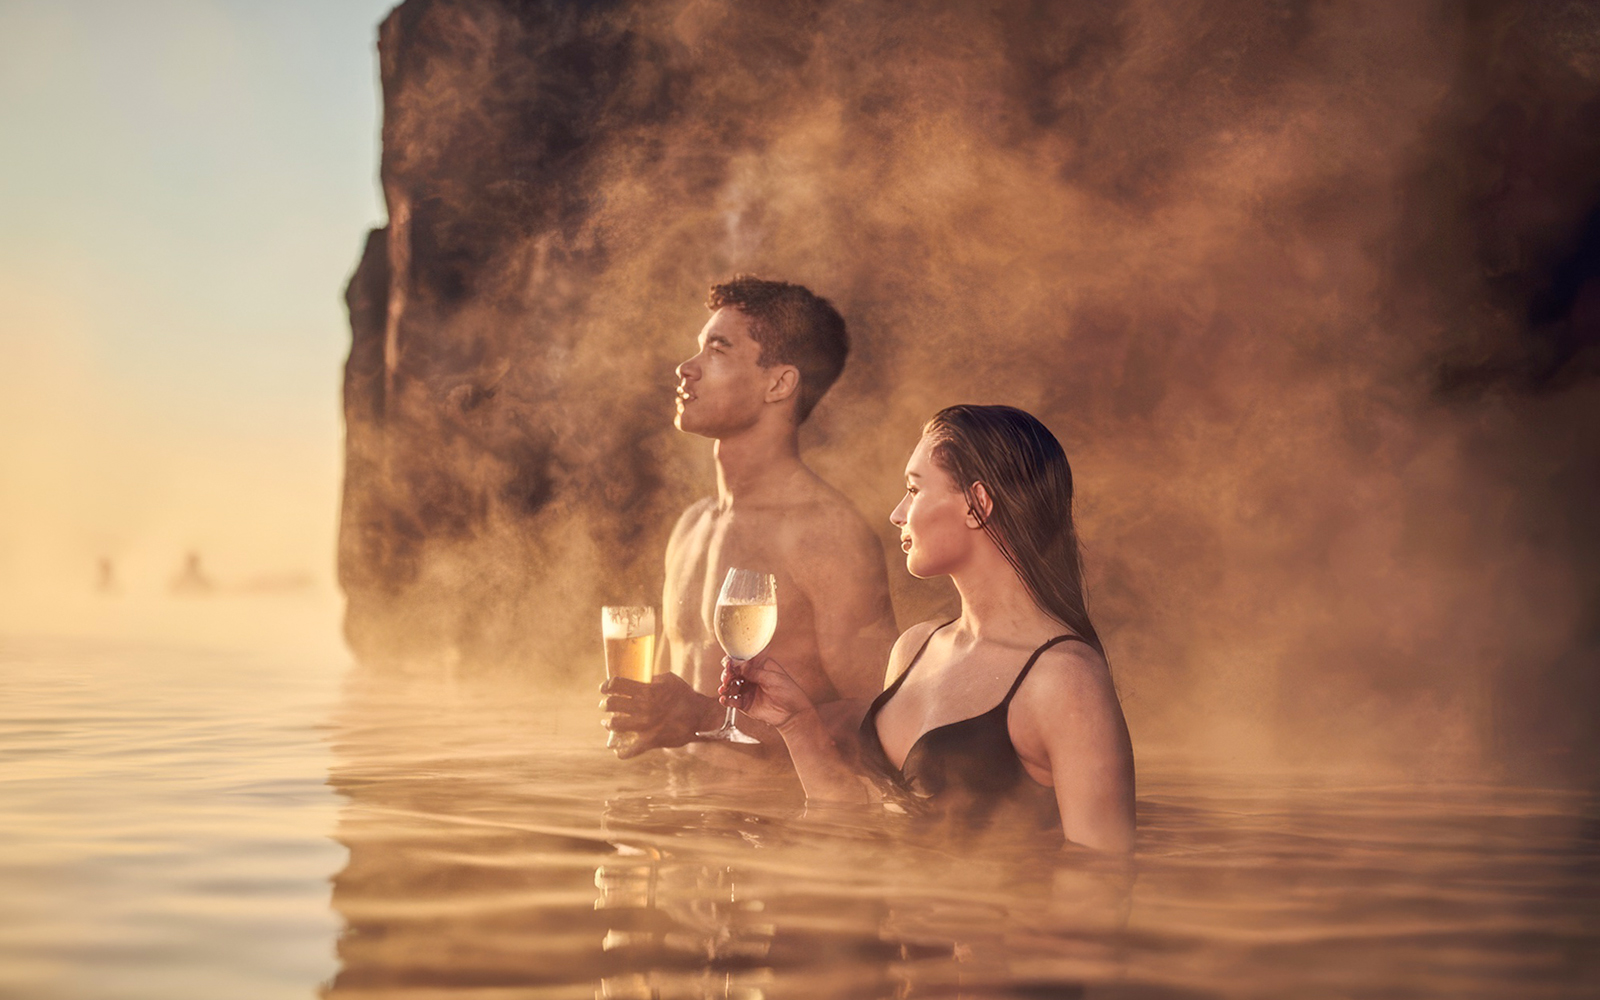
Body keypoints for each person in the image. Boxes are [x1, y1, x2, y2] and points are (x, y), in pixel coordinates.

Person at [717, 404, 1136, 852]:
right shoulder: (916, 647)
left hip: (992, 900)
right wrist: (796, 724)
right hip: (897, 896)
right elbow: (871, 814)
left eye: (914, 490)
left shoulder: (1065, 678)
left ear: (978, 504)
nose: (898, 514)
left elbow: (1102, 872)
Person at [601, 276, 899, 772]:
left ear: (779, 384)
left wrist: (704, 717)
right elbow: (675, 712)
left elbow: (885, 718)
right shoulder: (692, 525)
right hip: (677, 809)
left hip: (775, 816)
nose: (686, 367)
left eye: (717, 349)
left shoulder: (826, 534)